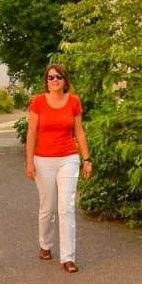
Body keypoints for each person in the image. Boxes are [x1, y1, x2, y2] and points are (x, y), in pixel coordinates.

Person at [25, 64, 92, 273]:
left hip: (68, 159)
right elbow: (31, 134)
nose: (54, 80)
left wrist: (86, 159)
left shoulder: (73, 101)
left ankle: (68, 257)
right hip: (43, 160)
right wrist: (29, 161)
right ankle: (45, 245)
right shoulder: (38, 102)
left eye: (58, 77)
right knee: (48, 207)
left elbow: (79, 132)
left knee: (66, 207)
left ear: (65, 81)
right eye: (50, 77)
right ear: (46, 81)